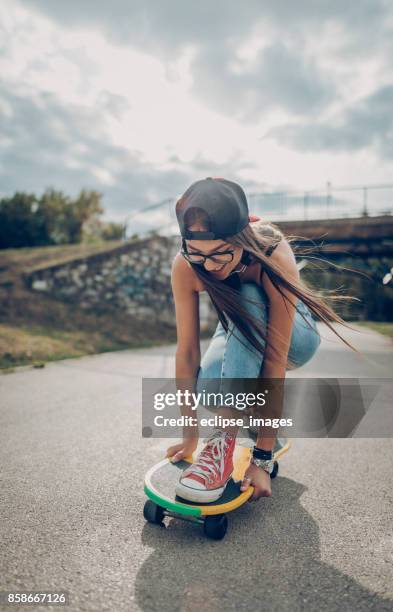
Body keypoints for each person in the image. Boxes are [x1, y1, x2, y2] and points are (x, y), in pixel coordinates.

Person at [166, 177, 359, 504]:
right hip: (239, 328)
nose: (209, 267)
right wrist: (189, 436)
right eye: (197, 255)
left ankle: (224, 442)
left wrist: (262, 459)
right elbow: (186, 353)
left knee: (248, 295)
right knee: (209, 388)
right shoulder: (187, 265)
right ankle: (252, 424)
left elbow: (273, 362)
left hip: (295, 338)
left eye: (220, 255)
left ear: (242, 240)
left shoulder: (271, 252)